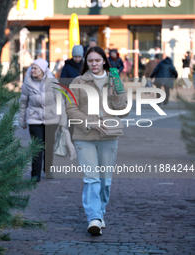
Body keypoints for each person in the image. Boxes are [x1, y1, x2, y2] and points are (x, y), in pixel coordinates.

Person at [65, 46, 128, 235]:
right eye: (90, 60)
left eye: (97, 60)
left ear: (104, 61)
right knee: (92, 178)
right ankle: (94, 218)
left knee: (105, 181)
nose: (94, 64)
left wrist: (115, 97)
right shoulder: (78, 81)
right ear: (86, 62)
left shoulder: (114, 80)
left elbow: (124, 110)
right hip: (85, 136)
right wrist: (90, 122)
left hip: (109, 135)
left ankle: (100, 213)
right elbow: (70, 109)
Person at [19, 59, 67, 182]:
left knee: (49, 146)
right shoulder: (27, 83)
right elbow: (23, 103)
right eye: (32, 68)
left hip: (51, 119)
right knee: (37, 146)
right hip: (34, 118)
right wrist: (22, 121)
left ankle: (48, 170)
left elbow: (60, 102)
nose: (32, 70)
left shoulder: (53, 82)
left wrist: (62, 121)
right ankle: (35, 174)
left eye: (36, 68)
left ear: (43, 70)